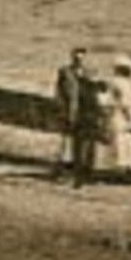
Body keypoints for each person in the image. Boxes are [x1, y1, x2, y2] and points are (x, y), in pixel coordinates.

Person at [99, 55, 131, 181]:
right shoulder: (124, 84)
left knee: (119, 143)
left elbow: (105, 100)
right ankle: (130, 171)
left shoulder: (112, 82)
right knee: (130, 142)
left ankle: (120, 169)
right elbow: (126, 103)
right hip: (124, 115)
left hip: (115, 115)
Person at [53, 48, 86, 176]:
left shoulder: (86, 72)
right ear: (72, 58)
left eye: (81, 58)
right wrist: (61, 108)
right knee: (65, 141)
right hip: (68, 110)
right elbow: (58, 91)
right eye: (76, 57)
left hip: (82, 112)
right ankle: (61, 168)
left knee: (79, 142)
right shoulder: (64, 71)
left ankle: (78, 168)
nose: (78, 60)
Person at [72, 69, 103, 187]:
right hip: (85, 121)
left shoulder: (84, 88)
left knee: (84, 149)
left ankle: (83, 176)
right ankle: (82, 176)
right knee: (84, 149)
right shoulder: (87, 90)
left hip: (86, 121)